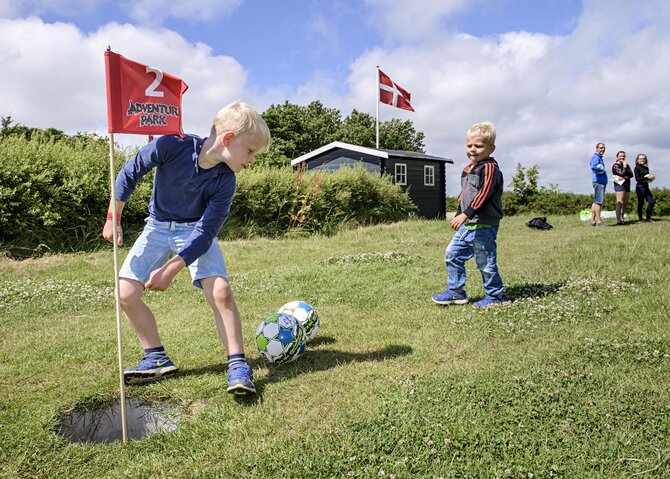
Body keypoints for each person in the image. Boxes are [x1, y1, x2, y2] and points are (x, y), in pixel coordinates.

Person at [102, 101, 271, 395]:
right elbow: (131, 171)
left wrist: (170, 268)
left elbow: (206, 231)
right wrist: (112, 217)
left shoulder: (225, 181)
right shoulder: (171, 145)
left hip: (193, 231)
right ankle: (155, 357)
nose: (252, 159)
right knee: (125, 293)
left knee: (220, 291)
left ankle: (238, 365)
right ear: (229, 139)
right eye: (251, 151)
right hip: (156, 226)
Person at [432, 121, 509, 308]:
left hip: (483, 224)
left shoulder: (490, 169)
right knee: (453, 254)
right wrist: (459, 212)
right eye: (469, 145)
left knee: (485, 261)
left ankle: (496, 295)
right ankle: (456, 291)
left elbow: (484, 194)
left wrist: (465, 214)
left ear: (491, 148)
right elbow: (465, 194)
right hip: (468, 223)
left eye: (479, 146)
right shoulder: (468, 169)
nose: (473, 149)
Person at [611, 150, 633, 225]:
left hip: (627, 185)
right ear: (617, 157)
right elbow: (622, 173)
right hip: (619, 185)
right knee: (620, 202)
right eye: (620, 156)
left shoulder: (626, 164)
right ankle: (618, 220)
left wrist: (625, 175)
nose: (622, 157)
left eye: (623, 156)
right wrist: (624, 167)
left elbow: (631, 174)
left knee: (625, 203)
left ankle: (622, 217)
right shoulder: (615, 165)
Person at [634, 153, 656, 222]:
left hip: (646, 186)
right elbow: (637, 178)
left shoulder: (646, 168)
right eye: (640, 158)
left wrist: (651, 178)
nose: (642, 160)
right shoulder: (637, 168)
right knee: (641, 203)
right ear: (637, 160)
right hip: (640, 187)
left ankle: (648, 218)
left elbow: (647, 179)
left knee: (651, 202)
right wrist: (646, 177)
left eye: (643, 158)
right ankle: (640, 219)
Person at [590, 142, 608, 227]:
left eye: (604, 148)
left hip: (600, 182)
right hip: (599, 182)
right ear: (596, 149)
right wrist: (603, 171)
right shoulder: (596, 157)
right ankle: (599, 221)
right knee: (599, 202)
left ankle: (593, 220)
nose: (603, 149)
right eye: (601, 148)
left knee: (595, 201)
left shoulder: (599, 157)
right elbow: (593, 167)